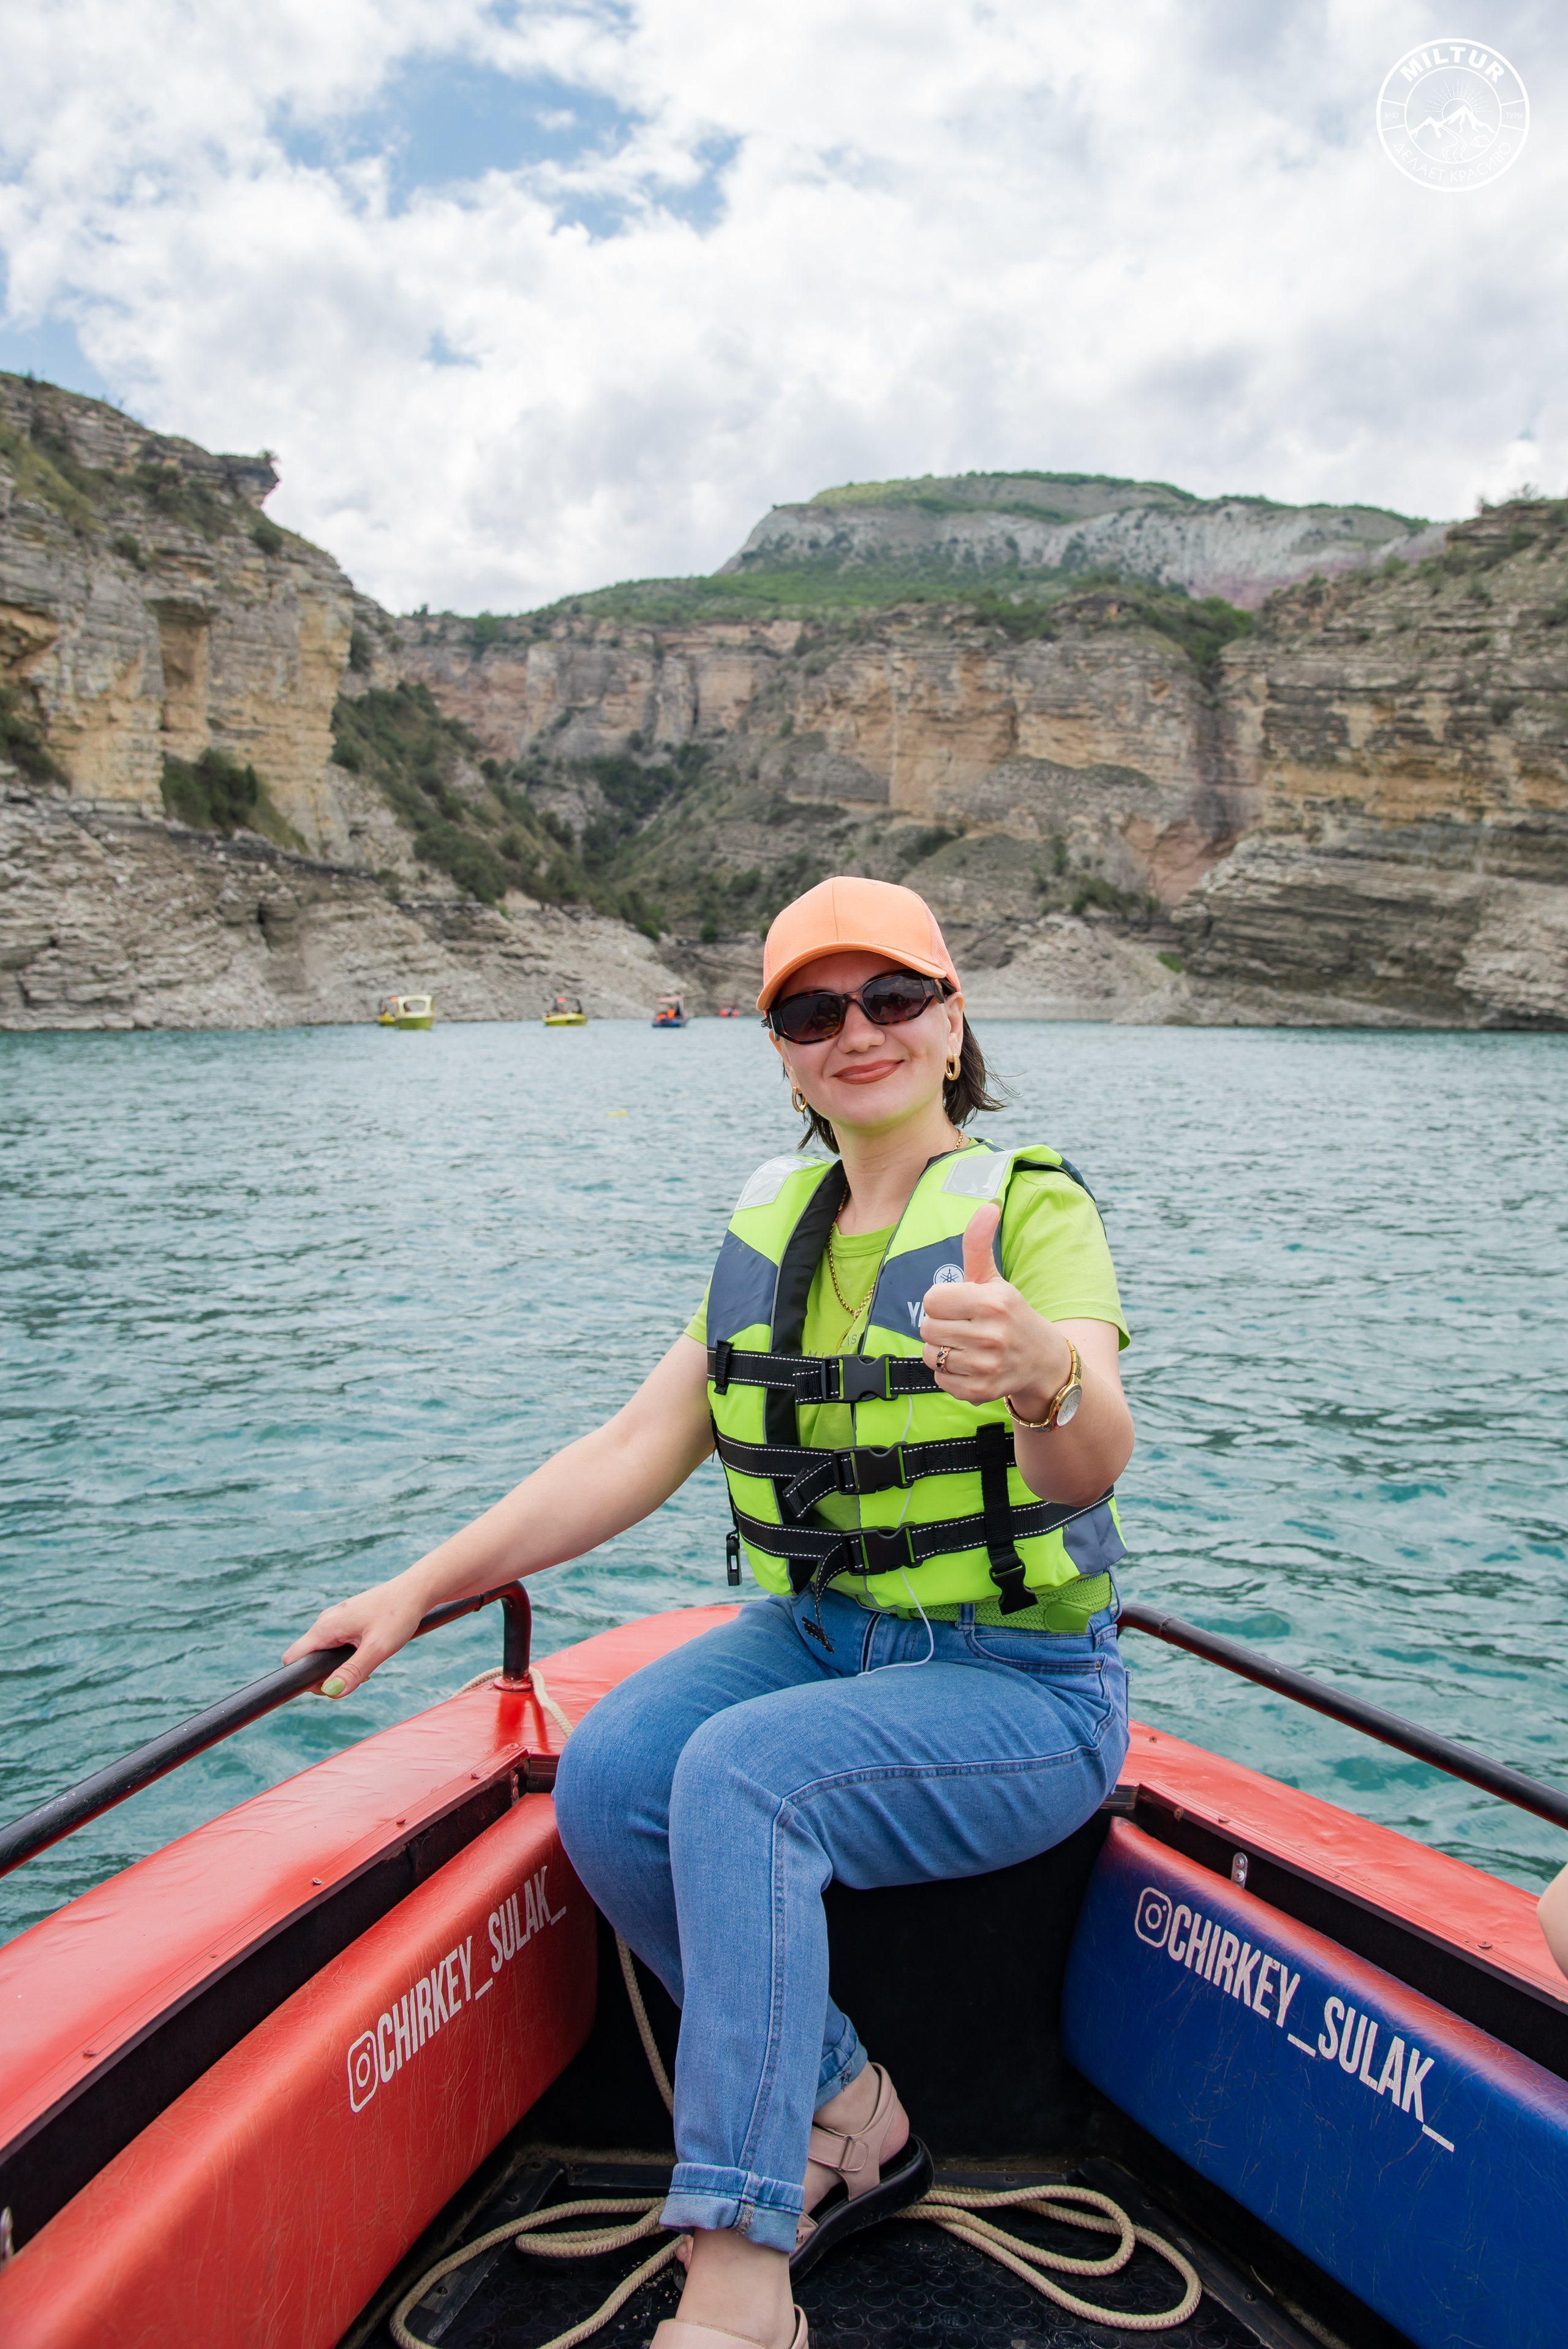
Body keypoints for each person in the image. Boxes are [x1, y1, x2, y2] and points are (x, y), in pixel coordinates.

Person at [285, 875, 1135, 2349]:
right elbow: (625, 1452)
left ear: (951, 1023)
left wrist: (1042, 1373)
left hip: (1019, 1684)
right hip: (822, 1634)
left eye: (890, 999)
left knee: (745, 1780)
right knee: (615, 1780)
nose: (854, 1031)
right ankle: (843, 2107)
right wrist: (422, 1587)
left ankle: (738, 2279)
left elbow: (1089, 1454)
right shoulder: (771, 1226)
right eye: (813, 1010)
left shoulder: (1027, 1215)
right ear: (780, 1047)